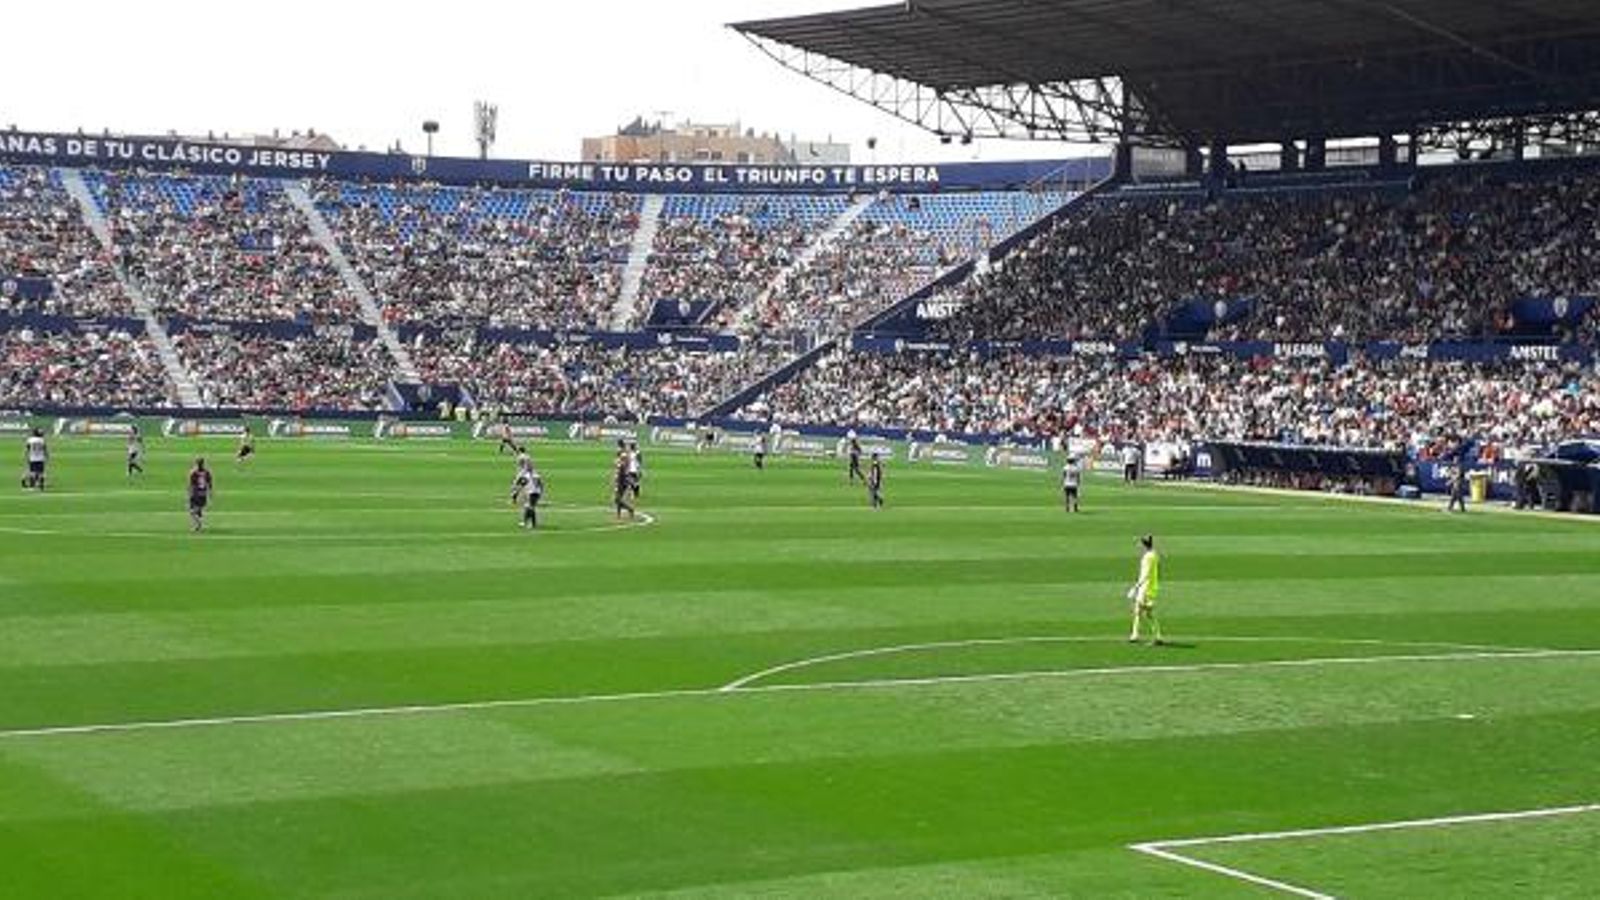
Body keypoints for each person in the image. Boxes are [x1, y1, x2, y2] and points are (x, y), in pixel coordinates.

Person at [1127, 534, 1163, 645]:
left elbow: (1145, 574)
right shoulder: (1154, 555)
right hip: (1151, 587)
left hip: (1146, 588)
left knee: (1147, 613)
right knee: (1139, 611)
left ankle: (1156, 636)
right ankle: (1135, 635)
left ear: (1144, 545)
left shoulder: (1148, 557)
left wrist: (1135, 587)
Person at [188, 457, 214, 532]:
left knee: (192, 511)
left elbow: (191, 485)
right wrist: (210, 493)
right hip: (203, 493)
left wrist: (190, 493)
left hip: (196, 493)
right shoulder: (207, 472)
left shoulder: (193, 472)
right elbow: (210, 484)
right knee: (198, 511)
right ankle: (198, 525)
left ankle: (199, 525)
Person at [612, 445, 636, 520]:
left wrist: (629, 483)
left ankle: (630, 509)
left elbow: (625, 475)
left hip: (622, 484)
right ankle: (619, 514)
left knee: (617, 499)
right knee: (618, 499)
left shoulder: (622, 466)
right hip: (619, 483)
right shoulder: (621, 465)